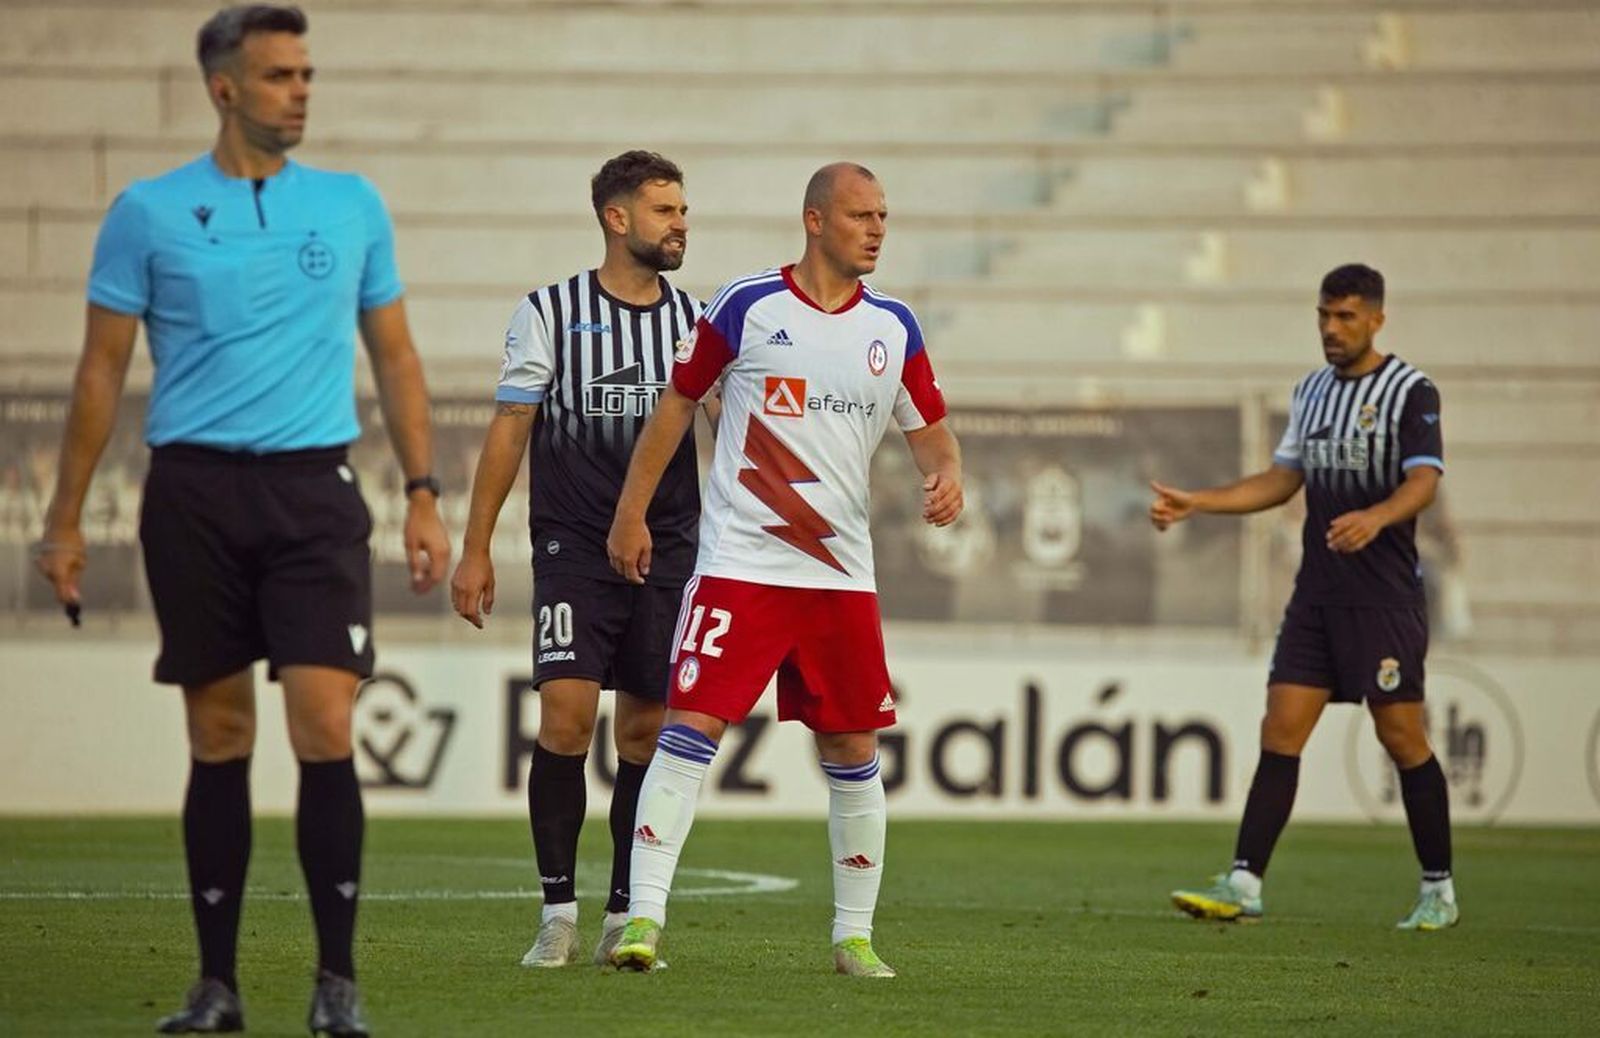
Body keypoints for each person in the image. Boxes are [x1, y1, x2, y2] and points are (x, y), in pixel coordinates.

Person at [32, 6, 451, 1034]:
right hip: (195, 496)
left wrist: (426, 491)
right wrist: (65, 519)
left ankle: (335, 985)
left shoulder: (353, 205)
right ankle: (216, 986)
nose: (300, 90)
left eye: (306, 73)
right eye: (277, 76)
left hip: (315, 494)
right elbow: (100, 371)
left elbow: (395, 356)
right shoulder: (148, 212)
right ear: (224, 89)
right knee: (217, 732)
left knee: (324, 721)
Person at [604, 163, 964, 976]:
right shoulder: (747, 307)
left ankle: (855, 937)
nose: (876, 229)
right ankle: (643, 921)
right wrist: (632, 513)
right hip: (742, 566)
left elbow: (932, 430)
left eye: (884, 215)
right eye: (860, 215)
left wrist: (949, 475)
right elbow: (676, 405)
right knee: (689, 727)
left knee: (852, 748)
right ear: (813, 220)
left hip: (839, 578)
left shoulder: (895, 327)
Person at [449, 151, 710, 969]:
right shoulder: (549, 311)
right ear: (616, 217)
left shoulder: (697, 320)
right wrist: (476, 546)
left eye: (683, 210)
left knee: (642, 732)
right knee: (565, 716)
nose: (680, 224)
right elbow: (510, 429)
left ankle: (622, 916)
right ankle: (557, 911)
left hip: (667, 550)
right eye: (665, 210)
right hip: (571, 546)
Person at [1152, 264, 1456, 931]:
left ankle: (1439, 889)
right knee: (1280, 730)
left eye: (1346, 316)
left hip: (1383, 601)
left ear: (1376, 318)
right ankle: (1244, 883)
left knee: (1402, 735)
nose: (1331, 328)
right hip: (1317, 596)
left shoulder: (1410, 392)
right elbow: (1283, 479)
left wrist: (1377, 517)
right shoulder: (1312, 392)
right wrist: (1199, 502)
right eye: (1324, 314)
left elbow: (1424, 481)